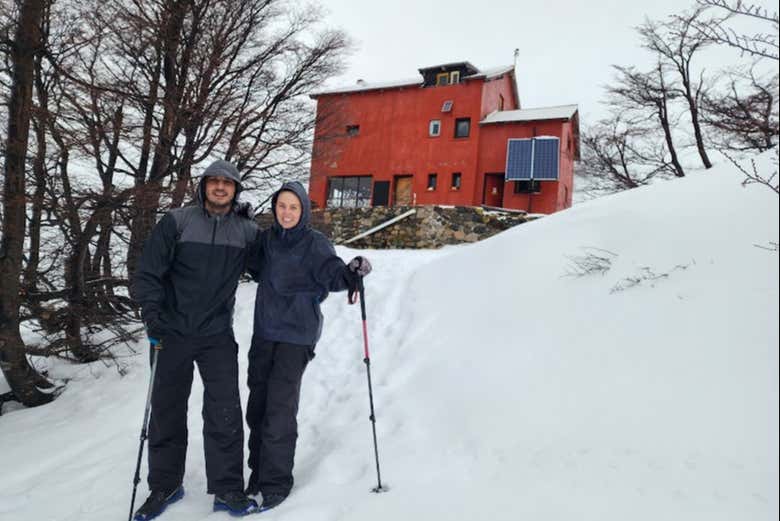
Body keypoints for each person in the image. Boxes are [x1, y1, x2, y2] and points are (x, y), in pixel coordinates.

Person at [131, 160, 260, 520]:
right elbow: (149, 271)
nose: (220, 187)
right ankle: (165, 485)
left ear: (236, 190)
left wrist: (338, 271)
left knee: (224, 411)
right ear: (203, 186)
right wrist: (152, 315)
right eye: (214, 181)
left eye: (227, 183)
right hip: (170, 332)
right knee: (167, 410)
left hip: (216, 334)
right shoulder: (177, 221)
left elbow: (278, 263)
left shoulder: (246, 232)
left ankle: (228, 488)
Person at [244, 181, 372, 512]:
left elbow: (332, 274)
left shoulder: (315, 244)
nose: (286, 212)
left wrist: (351, 273)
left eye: (293, 207)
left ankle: (276, 483)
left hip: (296, 336)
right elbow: (250, 264)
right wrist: (240, 223)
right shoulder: (268, 240)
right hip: (264, 333)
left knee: (279, 411)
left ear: (303, 211)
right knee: (257, 407)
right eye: (282, 206)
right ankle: (257, 475)